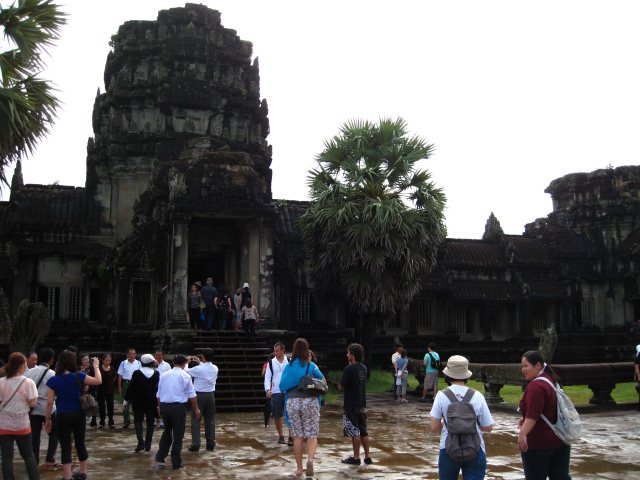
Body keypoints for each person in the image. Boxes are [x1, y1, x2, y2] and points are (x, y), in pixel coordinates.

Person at [430, 355, 493, 480]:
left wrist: (445, 422)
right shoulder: (478, 396)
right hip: (475, 448)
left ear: (447, 375)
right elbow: (488, 427)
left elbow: (434, 427)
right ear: (466, 375)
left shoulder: (441, 396)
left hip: (448, 448)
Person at [45, 351, 102, 480]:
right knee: (80, 442)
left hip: (62, 414)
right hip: (78, 413)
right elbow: (98, 381)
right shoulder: (78, 376)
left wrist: (48, 419)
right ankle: (83, 472)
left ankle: (67, 476)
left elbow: (49, 402)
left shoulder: (54, 380)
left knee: (65, 446)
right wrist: (96, 366)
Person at [518, 350, 571, 480]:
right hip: (561, 440)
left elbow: (533, 415)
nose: (523, 369)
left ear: (537, 365)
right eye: (522, 366)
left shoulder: (536, 386)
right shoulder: (552, 380)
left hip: (539, 444)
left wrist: (522, 434)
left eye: (526, 366)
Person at [279, 338, 325, 477]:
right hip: (309, 402)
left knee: (298, 436)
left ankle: (299, 468)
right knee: (311, 434)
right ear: (306, 350)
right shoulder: (311, 366)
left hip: (292, 402)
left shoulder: (288, 366)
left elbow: (282, 386)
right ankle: (310, 461)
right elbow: (323, 381)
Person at [155, 354, 200, 470]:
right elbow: (192, 395)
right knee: (178, 435)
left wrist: (159, 407)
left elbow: (159, 393)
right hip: (177, 407)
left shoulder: (164, 375)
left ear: (173, 363)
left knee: (167, 431)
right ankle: (176, 462)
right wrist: (196, 408)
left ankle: (160, 458)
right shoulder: (185, 375)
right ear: (184, 364)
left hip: (165, 406)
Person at [0, 352, 39, 479]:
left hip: (4, 424)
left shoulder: (1, 382)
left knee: (6, 457)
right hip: (22, 424)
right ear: (22, 365)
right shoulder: (28, 382)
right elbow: (33, 404)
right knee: (28, 456)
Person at [337, 343, 372, 466]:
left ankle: (356, 458)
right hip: (362, 404)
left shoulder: (349, 369)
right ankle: (367, 456)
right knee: (363, 431)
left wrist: (337, 384)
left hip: (351, 404)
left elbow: (341, 386)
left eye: (348, 353)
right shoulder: (364, 368)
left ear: (352, 354)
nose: (347, 355)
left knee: (354, 431)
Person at [24, 347, 59, 467]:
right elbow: (55, 393)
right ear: (51, 360)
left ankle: (34, 462)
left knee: (35, 437)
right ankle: (50, 459)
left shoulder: (29, 372)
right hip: (49, 409)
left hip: (33, 409)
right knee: (54, 433)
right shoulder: (52, 374)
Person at [185, 348, 219, 452]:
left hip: (199, 395)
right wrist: (200, 362)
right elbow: (205, 369)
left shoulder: (198, 369)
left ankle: (196, 444)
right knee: (210, 420)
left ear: (203, 357)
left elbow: (186, 372)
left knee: (196, 420)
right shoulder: (215, 368)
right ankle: (211, 443)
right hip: (211, 395)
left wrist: (187, 363)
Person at [125, 354, 159, 453]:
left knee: (138, 421)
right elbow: (158, 388)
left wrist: (126, 400)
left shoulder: (137, 373)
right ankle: (148, 444)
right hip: (151, 401)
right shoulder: (156, 373)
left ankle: (140, 442)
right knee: (150, 423)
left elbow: (131, 387)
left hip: (138, 400)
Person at [265, 342, 291, 446]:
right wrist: (268, 390)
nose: (275, 352)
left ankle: (291, 436)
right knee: (277, 415)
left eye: (277, 350)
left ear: (283, 350)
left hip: (288, 391)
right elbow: (267, 377)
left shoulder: (289, 361)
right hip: (276, 391)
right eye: (274, 350)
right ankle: (281, 436)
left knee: (290, 414)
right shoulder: (271, 362)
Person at [117, 348, 141, 428]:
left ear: (135, 354)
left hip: (136, 384)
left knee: (136, 402)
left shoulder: (138, 363)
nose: (132, 355)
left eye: (134, 353)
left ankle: (136, 420)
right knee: (125, 402)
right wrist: (119, 387)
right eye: (130, 353)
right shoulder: (123, 363)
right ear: (127, 354)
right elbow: (120, 375)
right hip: (126, 383)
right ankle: (126, 421)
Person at [95, 353, 116, 429]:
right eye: (106, 360)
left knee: (110, 406)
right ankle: (102, 422)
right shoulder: (99, 368)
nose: (108, 362)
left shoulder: (112, 369)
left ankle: (111, 422)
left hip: (110, 390)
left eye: (109, 360)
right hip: (101, 390)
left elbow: (114, 378)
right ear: (103, 360)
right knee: (101, 406)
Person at [154, 351, 171, 428]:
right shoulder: (152, 364)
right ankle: (155, 419)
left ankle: (162, 420)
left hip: (163, 386)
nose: (158, 356)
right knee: (154, 403)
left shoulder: (167, 365)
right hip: (154, 386)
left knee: (162, 402)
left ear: (162, 356)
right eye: (157, 355)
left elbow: (170, 376)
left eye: (160, 355)